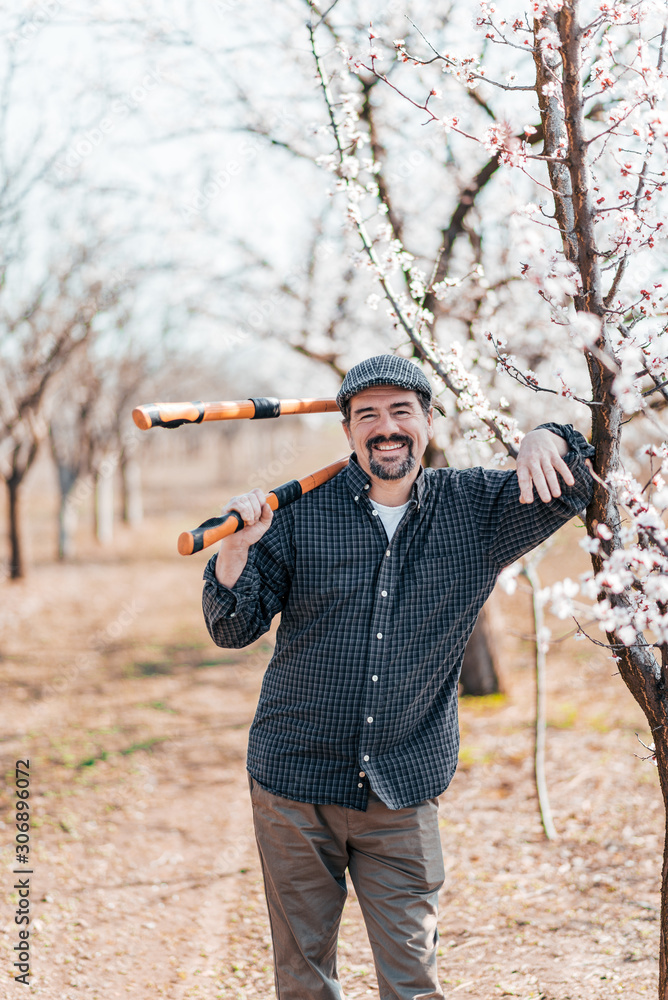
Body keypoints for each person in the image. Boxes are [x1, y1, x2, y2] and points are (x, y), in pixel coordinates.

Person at [202, 354, 595, 1000]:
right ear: (349, 430)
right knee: (304, 979)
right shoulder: (298, 512)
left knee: (413, 981)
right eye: (368, 416)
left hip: (403, 787)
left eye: (400, 412)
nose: (386, 428)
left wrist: (546, 435)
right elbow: (231, 627)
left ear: (428, 421)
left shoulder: (474, 508)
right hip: (294, 782)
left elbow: (575, 484)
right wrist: (238, 548)